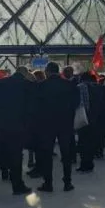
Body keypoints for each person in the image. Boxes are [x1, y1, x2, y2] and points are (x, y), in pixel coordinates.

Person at [0, 67, 33, 195]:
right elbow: (30, 109)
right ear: (25, 74)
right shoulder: (27, 86)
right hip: (15, 127)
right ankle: (17, 186)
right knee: (16, 156)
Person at [34, 62, 80, 192]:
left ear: (47, 72)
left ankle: (48, 183)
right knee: (66, 154)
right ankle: (67, 182)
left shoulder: (41, 86)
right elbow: (76, 103)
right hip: (65, 124)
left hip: (47, 125)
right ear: (58, 71)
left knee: (47, 154)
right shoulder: (69, 85)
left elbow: (36, 106)